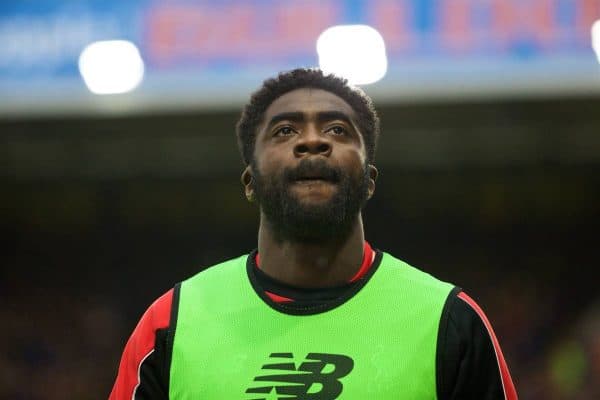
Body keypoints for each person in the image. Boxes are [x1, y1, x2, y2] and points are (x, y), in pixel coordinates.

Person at [109, 68, 518, 399]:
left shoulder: (451, 320)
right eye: (284, 131)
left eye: (338, 130)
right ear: (249, 180)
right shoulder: (170, 323)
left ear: (369, 179)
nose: (312, 140)